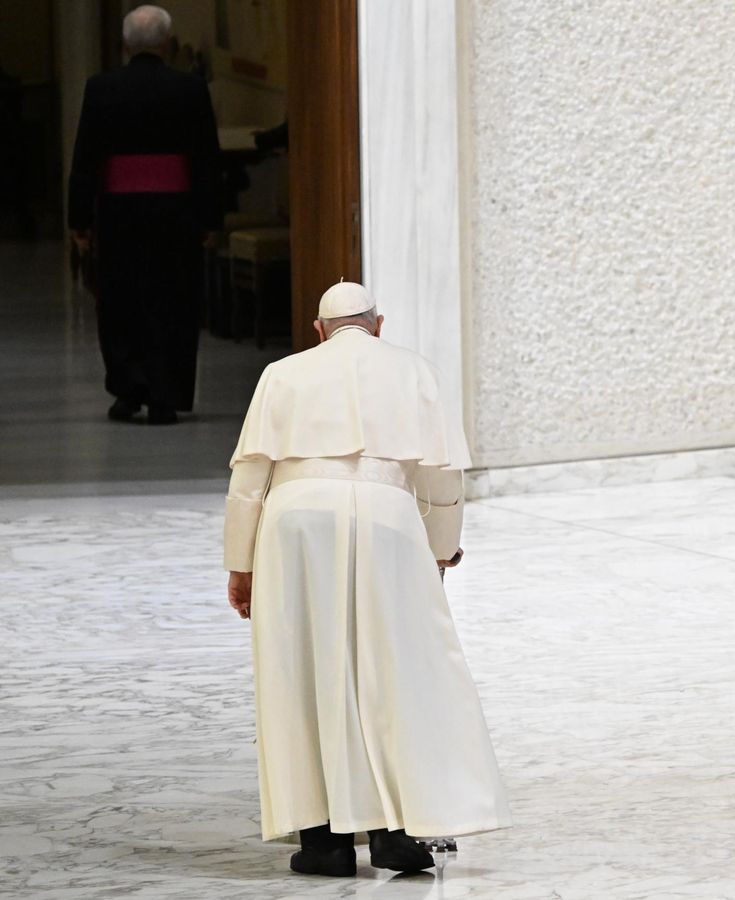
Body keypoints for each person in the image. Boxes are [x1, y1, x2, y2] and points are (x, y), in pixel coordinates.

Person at [224, 282, 510, 876]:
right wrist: (440, 553)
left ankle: (324, 841)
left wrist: (241, 564)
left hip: (293, 523)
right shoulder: (414, 371)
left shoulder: (281, 373)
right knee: (394, 669)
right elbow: (440, 477)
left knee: (302, 669)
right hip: (385, 516)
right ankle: (394, 833)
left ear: (318, 329)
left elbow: (250, 478)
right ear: (379, 326)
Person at [68, 4, 221, 425]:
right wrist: (210, 220)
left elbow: (85, 159)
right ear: (167, 44)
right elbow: (207, 159)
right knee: (172, 300)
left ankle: (127, 391)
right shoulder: (190, 88)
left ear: (124, 45)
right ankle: (165, 396)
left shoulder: (101, 88)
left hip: (119, 212)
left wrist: (79, 220)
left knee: (120, 301)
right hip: (176, 212)